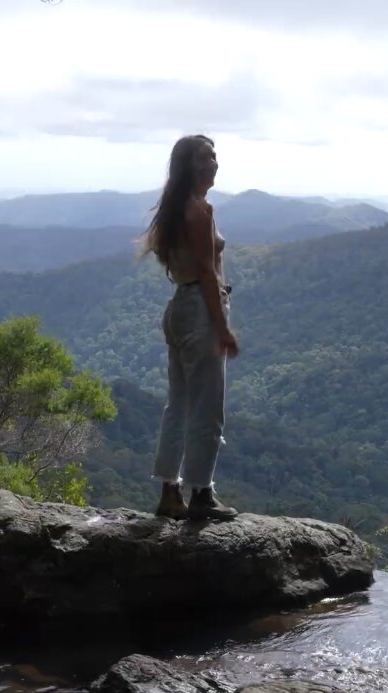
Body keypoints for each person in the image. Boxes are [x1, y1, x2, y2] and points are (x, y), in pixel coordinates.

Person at [138, 134, 242, 521]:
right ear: (187, 166)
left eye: (214, 157)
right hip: (201, 307)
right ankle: (201, 493)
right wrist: (222, 327)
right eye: (204, 158)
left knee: (178, 404)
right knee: (208, 408)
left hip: (179, 307)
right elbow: (206, 271)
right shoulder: (200, 210)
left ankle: (169, 493)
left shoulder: (175, 208)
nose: (213, 164)